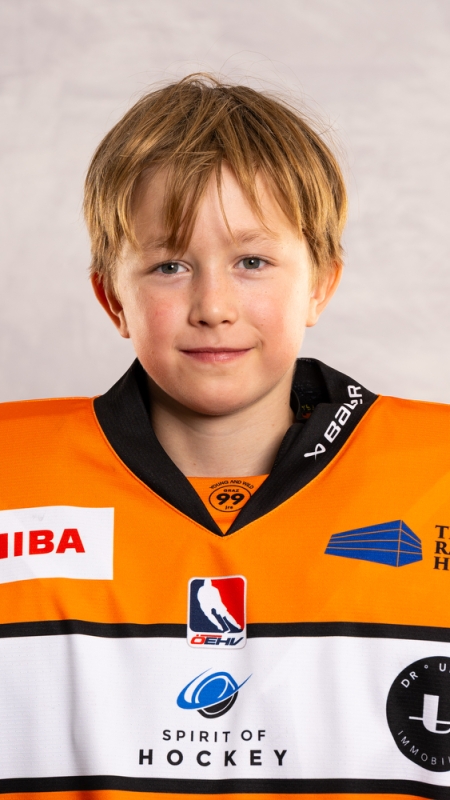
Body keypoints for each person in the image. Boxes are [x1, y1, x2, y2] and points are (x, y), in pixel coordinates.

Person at [0, 73, 448, 800]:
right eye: (170, 265)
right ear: (112, 297)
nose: (213, 305)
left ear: (321, 283)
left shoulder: (438, 476)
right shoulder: (11, 480)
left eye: (252, 262)